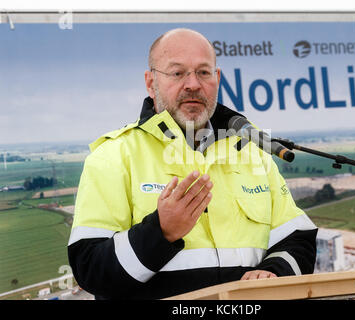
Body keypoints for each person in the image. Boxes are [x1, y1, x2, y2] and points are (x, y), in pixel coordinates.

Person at [67, 28, 318, 300]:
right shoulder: (112, 157)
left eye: (203, 72)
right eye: (177, 73)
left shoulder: (251, 152)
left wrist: (276, 272)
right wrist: (160, 233)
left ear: (217, 78)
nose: (193, 84)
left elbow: (297, 238)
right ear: (151, 83)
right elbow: (90, 268)